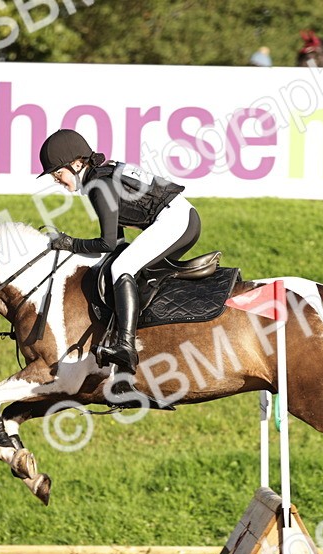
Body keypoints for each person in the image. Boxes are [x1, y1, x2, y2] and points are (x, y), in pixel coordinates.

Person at [38, 129, 202, 374]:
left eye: (58, 173)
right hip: (182, 219)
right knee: (123, 264)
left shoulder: (98, 186)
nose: (57, 180)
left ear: (76, 163)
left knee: (121, 267)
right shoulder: (101, 178)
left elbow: (108, 243)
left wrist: (70, 243)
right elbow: (119, 241)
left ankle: (125, 346)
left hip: (178, 222)